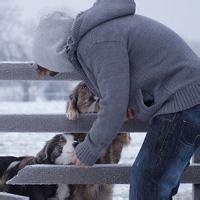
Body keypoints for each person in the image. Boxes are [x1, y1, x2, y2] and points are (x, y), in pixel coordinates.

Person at [32, 0, 200, 199]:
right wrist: (132, 103)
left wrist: (89, 148)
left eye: (47, 66)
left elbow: (114, 102)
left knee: (148, 182)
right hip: (184, 100)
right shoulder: (99, 35)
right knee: (156, 181)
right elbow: (131, 79)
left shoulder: (98, 41)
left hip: (185, 101)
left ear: (53, 50)